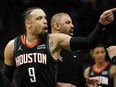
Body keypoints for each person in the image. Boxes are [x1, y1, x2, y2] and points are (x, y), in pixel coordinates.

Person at [3, 7, 116, 87]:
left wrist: (101, 24)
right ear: (28, 24)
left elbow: (89, 42)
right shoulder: (12, 45)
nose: (45, 21)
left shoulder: (54, 40)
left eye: (45, 18)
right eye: (39, 18)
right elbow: (5, 80)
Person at [51, 12, 85, 87]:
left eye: (72, 23)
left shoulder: (74, 52)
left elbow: (79, 80)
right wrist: (58, 85)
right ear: (57, 26)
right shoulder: (44, 48)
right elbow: (36, 79)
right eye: (68, 23)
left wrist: (86, 83)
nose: (72, 26)